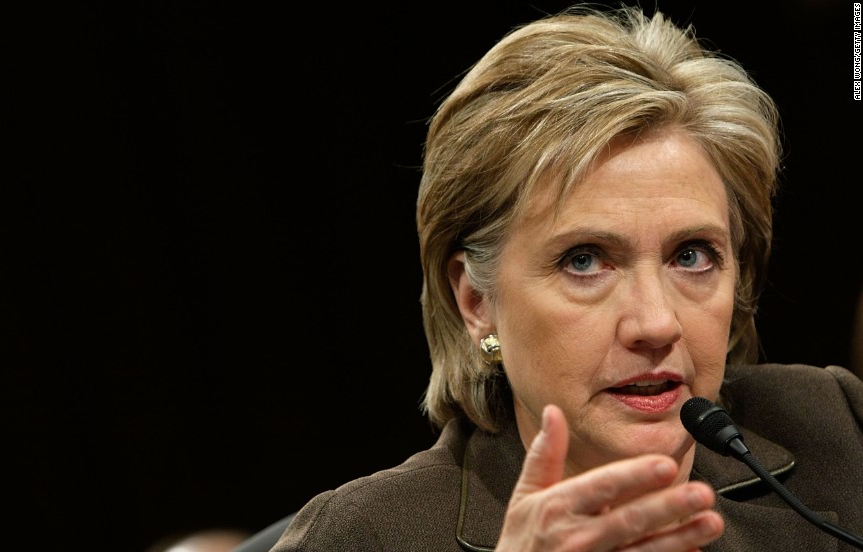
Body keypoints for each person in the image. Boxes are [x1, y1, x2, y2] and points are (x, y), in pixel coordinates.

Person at [272, 5, 863, 551]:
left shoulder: (838, 428)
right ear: (476, 301)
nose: (656, 323)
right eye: (584, 260)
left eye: (691, 255)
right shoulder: (362, 538)